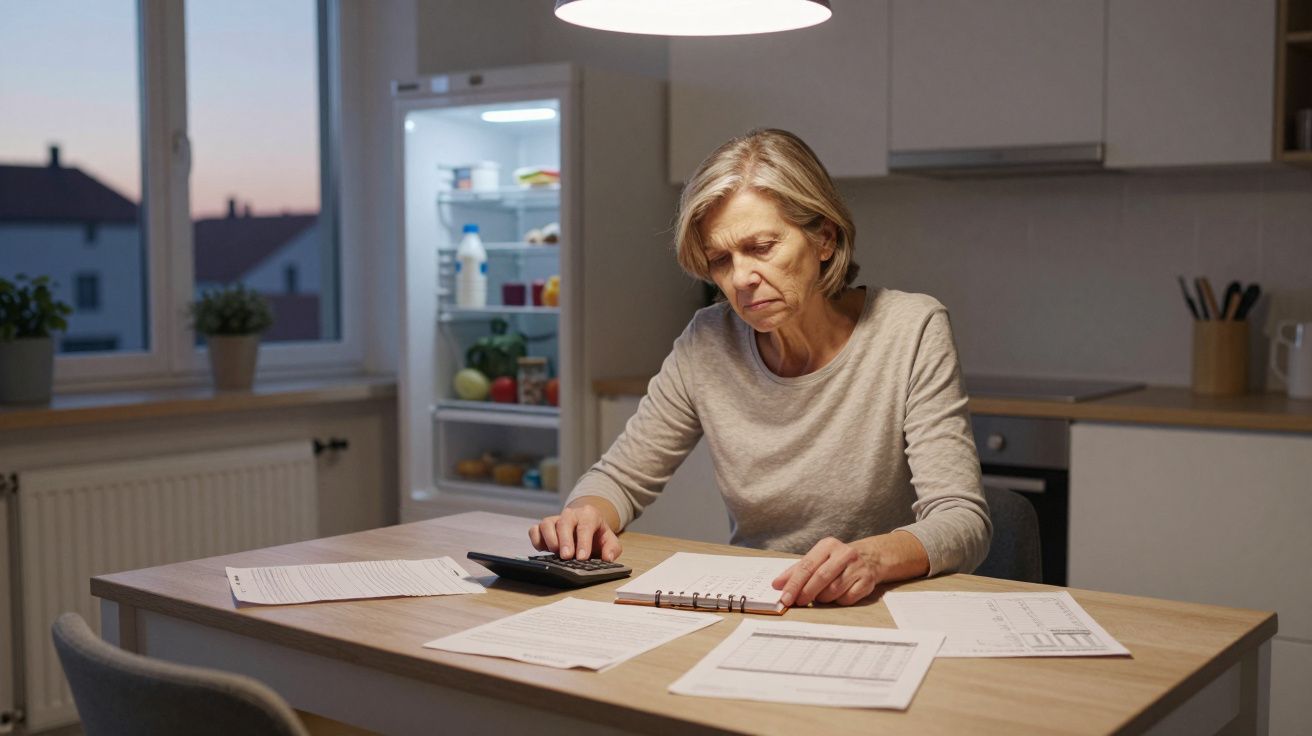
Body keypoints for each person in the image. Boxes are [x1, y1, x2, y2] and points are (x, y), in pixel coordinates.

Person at [530, 128, 990, 608]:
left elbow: (962, 519)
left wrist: (870, 559)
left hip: (878, 604)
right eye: (720, 260)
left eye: (762, 247)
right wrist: (584, 513)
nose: (742, 278)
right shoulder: (707, 340)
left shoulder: (910, 329)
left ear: (824, 239)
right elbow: (619, 479)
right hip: (757, 603)